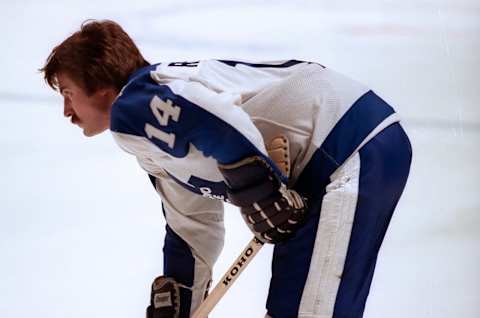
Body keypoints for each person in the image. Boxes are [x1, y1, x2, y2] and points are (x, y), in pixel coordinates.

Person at [40, 19, 412, 318]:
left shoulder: (133, 105)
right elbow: (192, 228)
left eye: (68, 94)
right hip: (348, 151)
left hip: (344, 147)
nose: (67, 112)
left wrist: (260, 193)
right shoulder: (154, 136)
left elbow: (215, 118)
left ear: (101, 85)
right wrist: (181, 301)